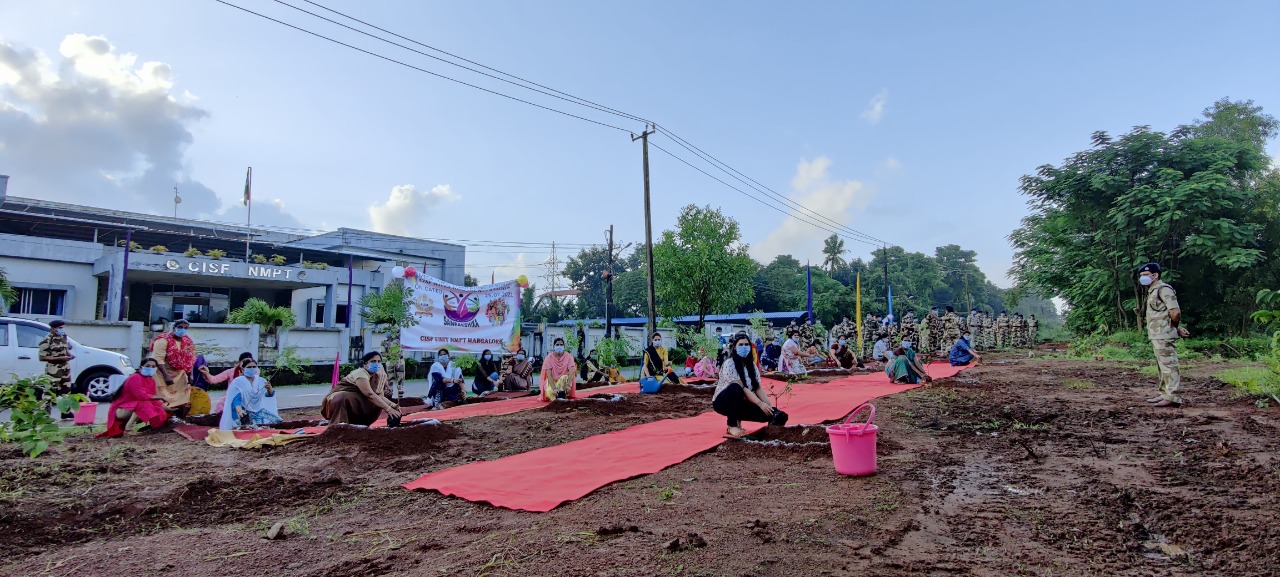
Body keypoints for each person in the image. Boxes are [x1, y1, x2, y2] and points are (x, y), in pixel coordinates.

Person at [713, 333, 788, 438]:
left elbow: (757, 388)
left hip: (743, 402)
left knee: (780, 416)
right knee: (736, 388)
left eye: (746, 344)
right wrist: (760, 404)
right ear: (734, 347)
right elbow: (741, 389)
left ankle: (770, 433)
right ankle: (732, 425)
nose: (744, 347)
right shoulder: (729, 363)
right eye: (741, 345)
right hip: (723, 402)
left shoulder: (751, 365)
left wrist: (770, 408)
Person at [1140, 263, 1189, 407]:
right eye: (1141, 276)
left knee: (1169, 365)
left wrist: (1175, 327)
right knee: (1162, 366)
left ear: (1155, 275)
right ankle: (1164, 393)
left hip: (1164, 334)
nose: (1142, 279)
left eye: (1145, 275)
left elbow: (1175, 312)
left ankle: (1172, 396)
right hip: (1157, 334)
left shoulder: (1164, 289)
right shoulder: (1153, 291)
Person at [321, 352, 401, 426]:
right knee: (341, 397)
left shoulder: (377, 376)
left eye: (379, 361)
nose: (376, 364)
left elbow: (380, 397)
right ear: (365, 364)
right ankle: (339, 427)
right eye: (373, 361)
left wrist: (393, 405)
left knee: (378, 402)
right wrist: (388, 409)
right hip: (341, 400)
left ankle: (361, 424)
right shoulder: (360, 373)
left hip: (359, 401)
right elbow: (369, 394)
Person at [97, 358, 170, 438]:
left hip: (131, 408)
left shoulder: (151, 381)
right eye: (148, 366)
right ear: (141, 367)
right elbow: (141, 396)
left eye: (153, 366)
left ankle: (154, 427)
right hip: (121, 411)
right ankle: (129, 429)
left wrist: (164, 407)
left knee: (158, 409)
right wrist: (160, 397)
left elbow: (152, 399)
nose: (150, 368)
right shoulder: (135, 378)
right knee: (143, 404)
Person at [148, 319, 197, 416]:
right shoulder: (163, 340)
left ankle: (179, 419)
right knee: (162, 397)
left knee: (184, 396)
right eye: (180, 327)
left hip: (179, 373)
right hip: (162, 373)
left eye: (185, 328)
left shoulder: (188, 341)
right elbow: (158, 359)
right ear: (174, 328)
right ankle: (161, 418)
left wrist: (190, 375)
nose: (183, 329)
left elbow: (190, 360)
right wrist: (166, 376)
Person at [218, 358, 282, 430]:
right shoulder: (238, 382)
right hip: (242, 412)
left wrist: (270, 389)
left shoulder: (261, 381)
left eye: (254, 367)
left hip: (258, 411)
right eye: (249, 367)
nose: (252, 369)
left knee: (277, 421)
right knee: (248, 426)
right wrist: (240, 411)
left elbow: (267, 397)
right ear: (243, 369)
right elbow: (236, 399)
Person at [37, 319, 75, 419]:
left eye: (62, 328)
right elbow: (42, 357)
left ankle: (65, 412)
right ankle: (45, 415)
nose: (62, 330)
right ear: (53, 329)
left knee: (66, 391)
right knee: (49, 392)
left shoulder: (63, 337)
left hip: (65, 369)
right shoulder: (47, 340)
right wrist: (59, 358)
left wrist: (69, 355)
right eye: (60, 328)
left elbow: (65, 349)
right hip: (53, 370)